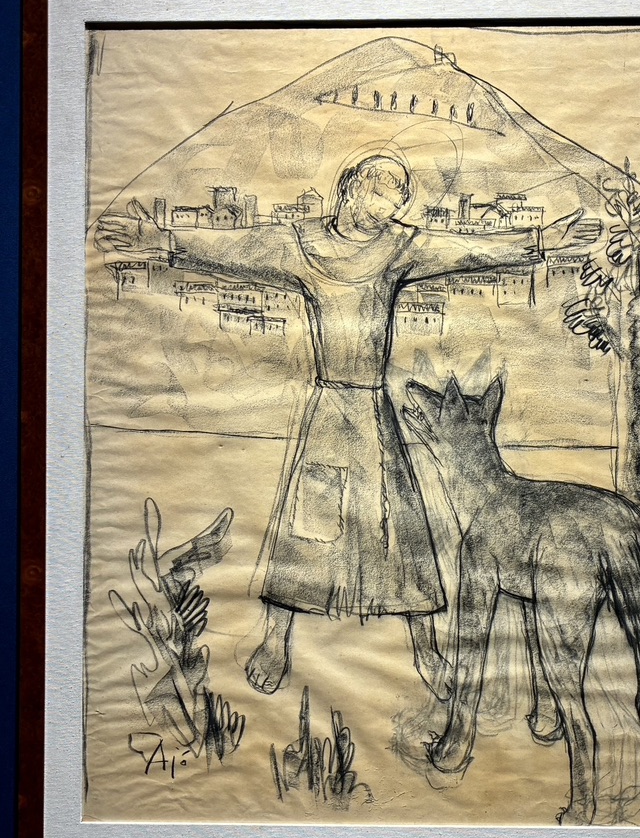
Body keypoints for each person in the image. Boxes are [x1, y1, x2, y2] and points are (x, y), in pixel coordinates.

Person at [95, 154, 544, 700]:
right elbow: (234, 250)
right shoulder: (301, 244)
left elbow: (468, 251)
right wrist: (162, 240)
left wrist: (540, 241)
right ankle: (274, 640)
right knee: (305, 526)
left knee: (402, 527)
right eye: (384, 191)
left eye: (399, 197)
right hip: (329, 413)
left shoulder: (399, 247)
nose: (392, 205)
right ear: (352, 187)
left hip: (374, 413)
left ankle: (426, 646)